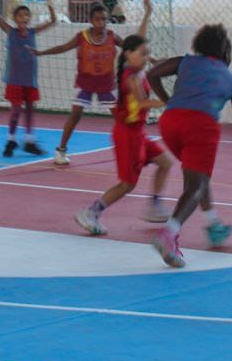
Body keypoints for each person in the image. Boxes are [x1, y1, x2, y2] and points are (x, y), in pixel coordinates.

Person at [146, 24, 232, 268]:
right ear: (225, 51)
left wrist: (167, 100)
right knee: (197, 184)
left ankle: (213, 224)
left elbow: (152, 74)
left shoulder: (186, 61)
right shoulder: (231, 79)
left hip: (170, 123)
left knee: (196, 178)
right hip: (201, 126)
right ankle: (168, 234)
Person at [75, 34, 174, 236]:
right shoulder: (130, 78)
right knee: (127, 184)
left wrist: (147, 13)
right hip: (127, 134)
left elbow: (141, 38)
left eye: (148, 53)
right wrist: (169, 102)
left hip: (138, 132)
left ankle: (154, 205)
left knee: (165, 162)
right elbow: (143, 103)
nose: (147, 57)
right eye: (143, 53)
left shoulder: (136, 70)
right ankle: (91, 212)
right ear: (129, 54)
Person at [35, 0, 151, 165]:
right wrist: (42, 52)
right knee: (75, 115)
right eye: (97, 19)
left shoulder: (112, 36)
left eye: (104, 19)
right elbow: (62, 47)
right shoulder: (82, 36)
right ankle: (61, 150)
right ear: (90, 20)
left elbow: (133, 47)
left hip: (106, 83)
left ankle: (133, 148)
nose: (101, 22)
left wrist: (151, 56)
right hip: (85, 83)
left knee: (120, 118)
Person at [0, 0, 57, 157]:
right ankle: (11, 139)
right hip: (14, 79)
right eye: (20, 15)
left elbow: (53, 21)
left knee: (29, 110)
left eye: (27, 15)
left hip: (29, 78)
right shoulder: (11, 32)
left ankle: (29, 140)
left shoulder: (33, 32)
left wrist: (49, 3)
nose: (24, 18)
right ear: (14, 18)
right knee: (16, 110)